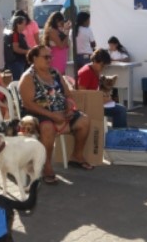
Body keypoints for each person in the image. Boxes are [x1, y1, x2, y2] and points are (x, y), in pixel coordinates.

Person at [19, 45, 92, 182]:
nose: (49, 59)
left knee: (84, 121)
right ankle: (46, 165)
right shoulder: (28, 77)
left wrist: (69, 106)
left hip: (60, 112)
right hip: (37, 114)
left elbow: (68, 94)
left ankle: (77, 155)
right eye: (45, 57)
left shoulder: (55, 73)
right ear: (34, 58)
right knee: (47, 127)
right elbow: (28, 104)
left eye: (50, 56)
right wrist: (52, 115)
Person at [76, 49, 128, 128]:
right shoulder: (86, 72)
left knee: (121, 109)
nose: (103, 68)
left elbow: (93, 91)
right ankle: (119, 135)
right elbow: (82, 95)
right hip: (89, 106)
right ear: (95, 61)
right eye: (102, 65)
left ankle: (119, 133)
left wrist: (104, 98)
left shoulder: (94, 70)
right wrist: (101, 100)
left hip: (95, 102)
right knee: (120, 111)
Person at [43, 11, 71, 75]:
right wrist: (66, 31)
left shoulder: (59, 30)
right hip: (56, 56)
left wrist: (67, 31)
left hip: (62, 56)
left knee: (62, 76)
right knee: (56, 75)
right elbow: (61, 45)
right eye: (61, 22)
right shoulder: (52, 30)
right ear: (56, 21)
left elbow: (66, 44)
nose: (62, 23)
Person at [6, 16, 30, 80]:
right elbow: (15, 49)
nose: (25, 26)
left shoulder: (20, 34)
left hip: (20, 62)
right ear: (18, 24)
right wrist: (27, 51)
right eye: (23, 24)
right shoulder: (15, 35)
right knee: (18, 80)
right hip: (17, 62)